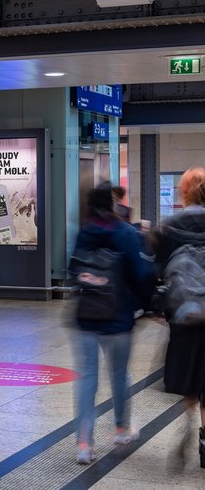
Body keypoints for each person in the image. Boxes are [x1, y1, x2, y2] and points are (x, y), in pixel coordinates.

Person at [71, 182, 154, 464]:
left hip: (86, 317)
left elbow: (73, 268)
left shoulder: (84, 232)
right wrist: (145, 305)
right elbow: (141, 273)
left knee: (87, 379)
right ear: (112, 204)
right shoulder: (125, 232)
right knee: (119, 374)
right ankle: (121, 429)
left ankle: (84, 444)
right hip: (119, 318)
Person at [153, 167, 205, 468]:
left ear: (183, 192)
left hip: (184, 314)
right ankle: (204, 434)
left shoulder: (170, 226)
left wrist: (158, 306)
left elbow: (157, 272)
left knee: (188, 375)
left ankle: (186, 421)